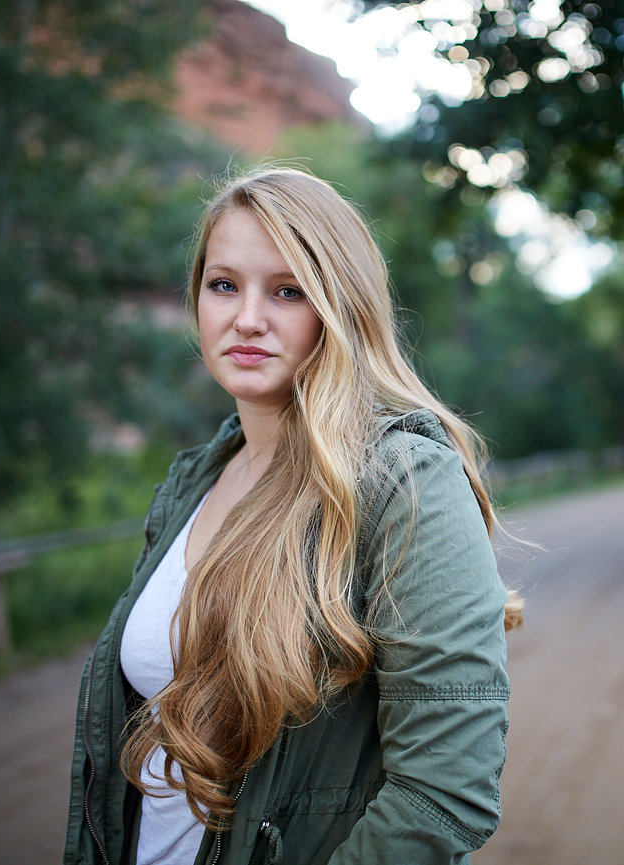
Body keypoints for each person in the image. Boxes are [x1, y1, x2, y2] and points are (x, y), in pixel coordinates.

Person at [63, 166, 521, 865]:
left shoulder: (403, 479)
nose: (247, 318)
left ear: (341, 305)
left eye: (288, 290)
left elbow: (444, 791)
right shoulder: (194, 480)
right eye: (224, 285)